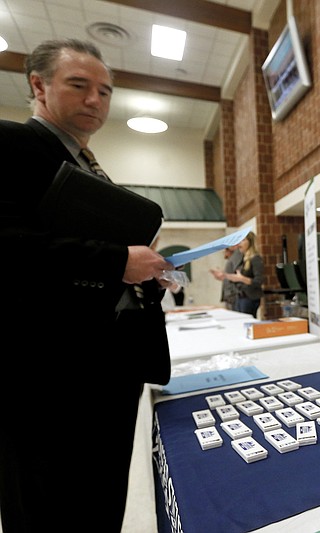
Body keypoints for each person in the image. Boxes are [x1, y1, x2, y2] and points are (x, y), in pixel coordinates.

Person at [0, 39, 176, 531]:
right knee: (50, 505)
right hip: (48, 372)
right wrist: (118, 259)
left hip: (108, 362)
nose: (95, 100)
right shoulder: (12, 145)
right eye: (79, 85)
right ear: (39, 85)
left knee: (100, 497)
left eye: (105, 91)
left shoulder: (86, 167)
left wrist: (146, 274)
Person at [224, 232, 264, 318]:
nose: (239, 244)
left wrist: (242, 279)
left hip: (249, 298)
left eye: (243, 240)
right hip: (240, 296)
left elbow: (258, 281)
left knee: (246, 323)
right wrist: (226, 276)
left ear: (250, 242)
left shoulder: (255, 258)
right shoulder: (243, 259)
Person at [210, 245, 243, 310]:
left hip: (232, 294)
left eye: (225, 251)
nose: (224, 254)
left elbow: (235, 276)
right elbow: (228, 275)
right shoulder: (231, 260)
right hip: (229, 294)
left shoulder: (236, 257)